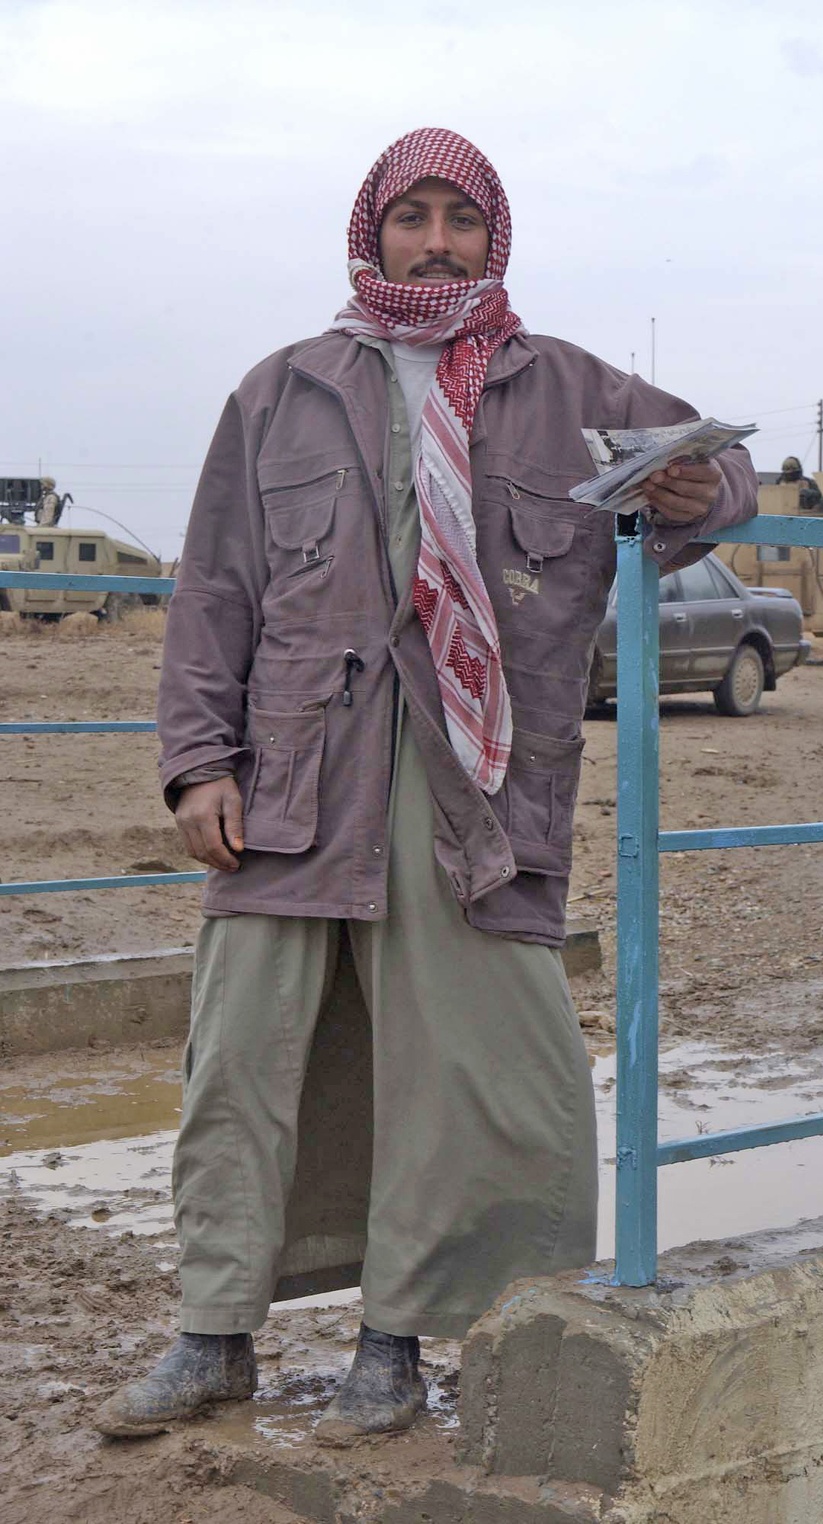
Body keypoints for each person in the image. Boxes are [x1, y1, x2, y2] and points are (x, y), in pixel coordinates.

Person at [94, 127, 758, 1443]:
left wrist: (700, 480)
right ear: (375, 228)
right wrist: (195, 767)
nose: (437, 242)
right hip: (292, 784)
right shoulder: (282, 391)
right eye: (416, 217)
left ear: (494, 238)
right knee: (243, 1059)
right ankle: (211, 1334)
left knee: (467, 1069)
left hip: (476, 788)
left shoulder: (564, 388)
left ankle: (392, 1345)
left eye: (463, 219)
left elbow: (717, 484)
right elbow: (214, 594)